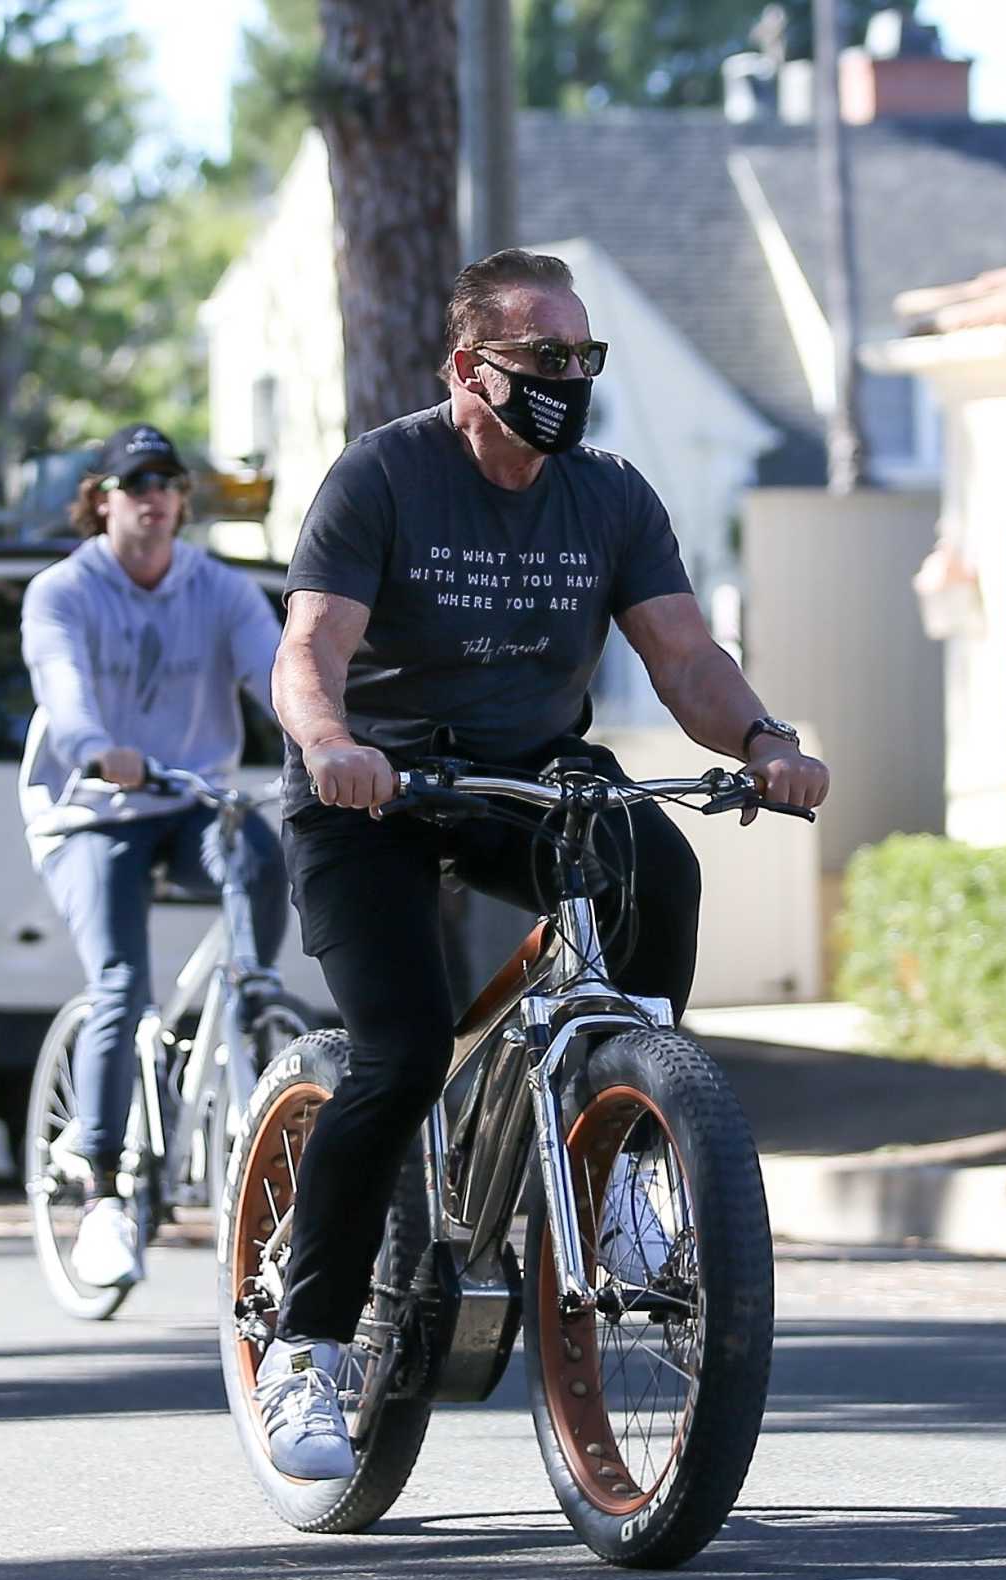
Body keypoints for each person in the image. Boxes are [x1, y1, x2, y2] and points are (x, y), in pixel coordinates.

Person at [257, 248, 829, 1480]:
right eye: (545, 360)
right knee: (400, 1052)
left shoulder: (609, 494)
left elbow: (683, 658)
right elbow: (308, 650)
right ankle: (304, 1351)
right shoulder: (384, 476)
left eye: (586, 359)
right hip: (377, 793)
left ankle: (626, 1143)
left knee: (656, 867)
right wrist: (333, 743)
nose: (571, 380)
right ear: (470, 368)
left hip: (525, 780)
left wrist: (765, 741)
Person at [19, 423, 287, 1290]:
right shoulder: (63, 591)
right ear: (103, 499)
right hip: (89, 810)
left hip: (190, 797)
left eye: (169, 482)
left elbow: (277, 673)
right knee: (118, 983)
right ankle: (99, 1188)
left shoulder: (220, 589)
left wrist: (328, 741)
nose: (156, 497)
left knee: (255, 849)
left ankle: (251, 1000)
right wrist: (98, 746)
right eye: (136, 483)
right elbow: (61, 686)